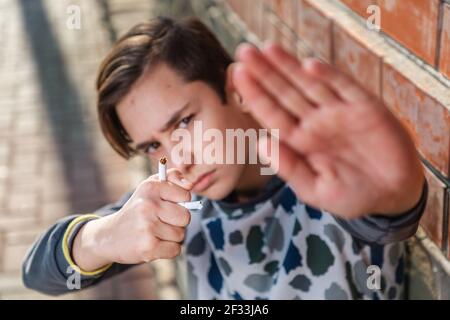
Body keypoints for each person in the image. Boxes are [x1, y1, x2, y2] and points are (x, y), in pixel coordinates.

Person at [22, 16, 427, 299]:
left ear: (234, 88)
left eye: (183, 122)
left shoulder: (326, 182)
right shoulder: (179, 203)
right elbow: (39, 274)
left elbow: (386, 208)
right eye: (152, 146)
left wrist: (396, 190)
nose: (176, 160)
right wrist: (105, 238)